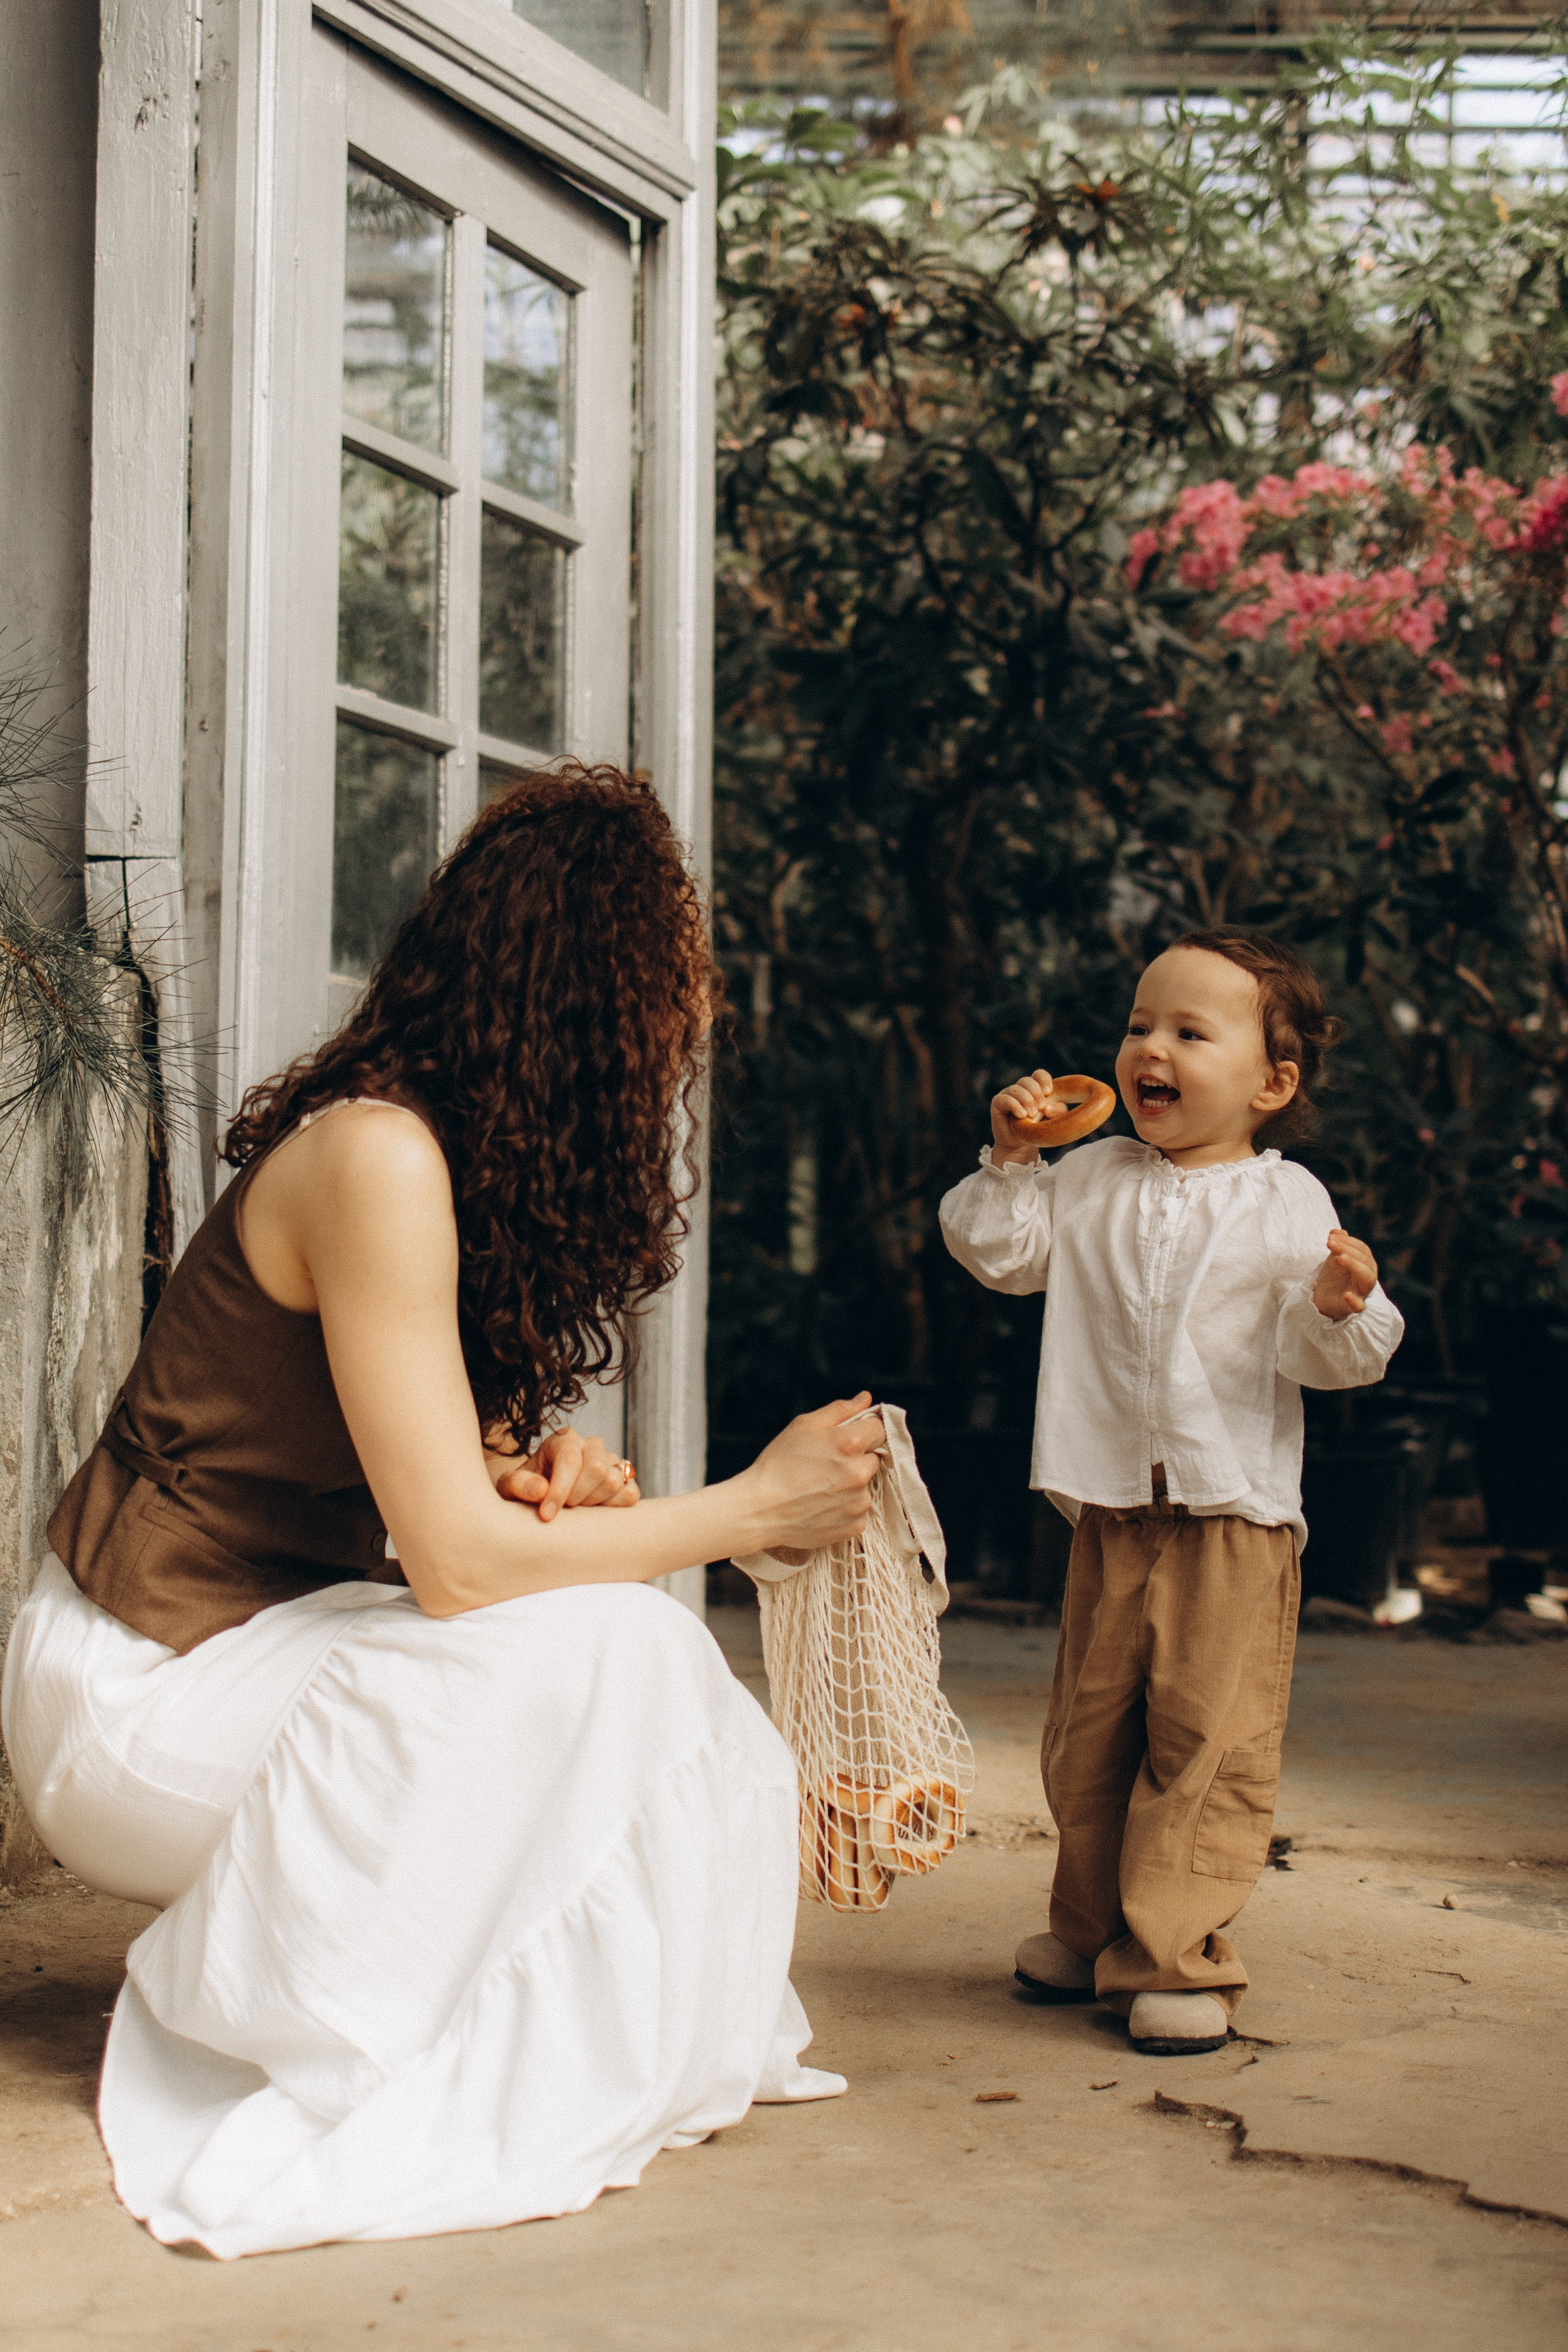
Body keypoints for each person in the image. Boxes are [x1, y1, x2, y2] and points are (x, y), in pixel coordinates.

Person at [1, 762, 886, 2257]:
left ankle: (626, 2036)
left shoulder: (438, 1160)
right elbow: (465, 1575)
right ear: (595, 1007)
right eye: (665, 1008)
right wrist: (746, 1508)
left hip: (258, 1638)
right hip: (128, 1695)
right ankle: (354, 2026)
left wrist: (534, 1476)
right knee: (602, 1640)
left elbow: (446, 1510)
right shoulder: (375, 1155)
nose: (676, 1048)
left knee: (636, 1648)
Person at [939, 928, 1403, 2056]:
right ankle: (1090, 1927)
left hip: (1231, 1511)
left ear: (1271, 1082)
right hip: (1106, 1504)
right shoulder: (1088, 1177)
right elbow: (998, 1253)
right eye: (1140, 1024)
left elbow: (1323, 1354)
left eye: (1191, 1032)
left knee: (1204, 1738)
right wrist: (1010, 1156)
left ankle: (1177, 1954)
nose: (1152, 1047)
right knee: (1087, 1732)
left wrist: (1343, 1304)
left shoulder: (1287, 1201)